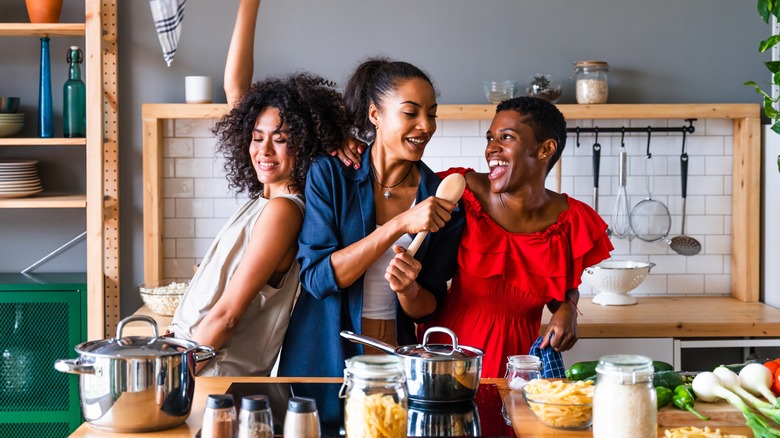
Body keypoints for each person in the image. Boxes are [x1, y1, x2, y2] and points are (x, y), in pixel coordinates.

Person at [168, 0, 349, 376]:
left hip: (213, 375)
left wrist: (175, 368)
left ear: (305, 142)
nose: (263, 150)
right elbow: (236, 89)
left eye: (281, 139)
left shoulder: (284, 211)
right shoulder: (265, 200)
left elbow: (229, 315)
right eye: (256, 136)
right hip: (198, 360)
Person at [278, 57, 466, 378]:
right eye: (411, 113)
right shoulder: (332, 174)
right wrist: (399, 225)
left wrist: (409, 291)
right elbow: (317, 279)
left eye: (432, 114)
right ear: (375, 114)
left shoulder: (442, 200)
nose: (427, 126)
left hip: (396, 351)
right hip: (324, 351)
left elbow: (430, 304)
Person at [420, 96, 613, 378]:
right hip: (450, 355)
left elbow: (562, 285)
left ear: (546, 148)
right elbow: (396, 179)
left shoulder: (572, 222)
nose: (491, 148)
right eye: (490, 138)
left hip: (520, 367)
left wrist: (568, 309)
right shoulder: (462, 190)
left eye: (506, 137)